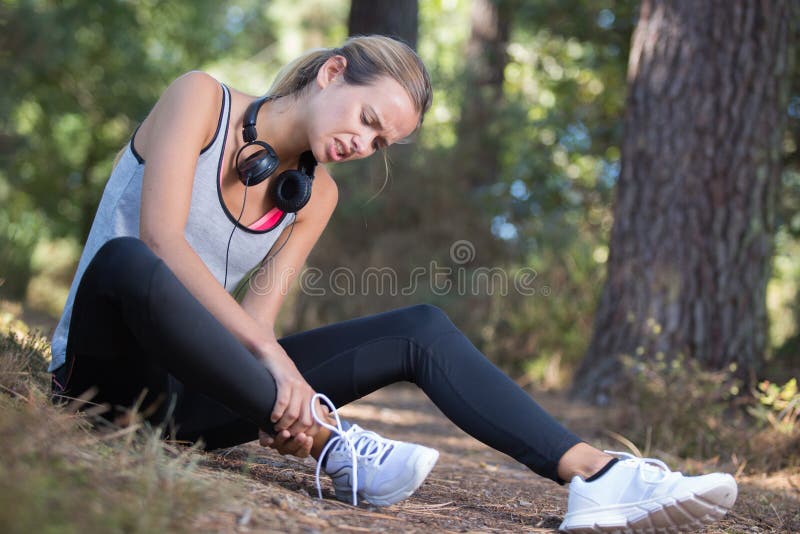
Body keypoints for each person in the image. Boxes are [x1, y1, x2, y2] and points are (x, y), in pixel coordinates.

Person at [48, 35, 737, 532]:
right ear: (333, 73)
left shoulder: (312, 198)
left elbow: (258, 320)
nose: (363, 144)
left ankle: (595, 475)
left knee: (422, 329)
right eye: (368, 120)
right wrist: (281, 376)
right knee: (131, 261)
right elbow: (164, 238)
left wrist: (277, 389)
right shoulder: (200, 100)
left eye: (380, 144)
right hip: (100, 374)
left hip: (185, 402)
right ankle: (335, 447)